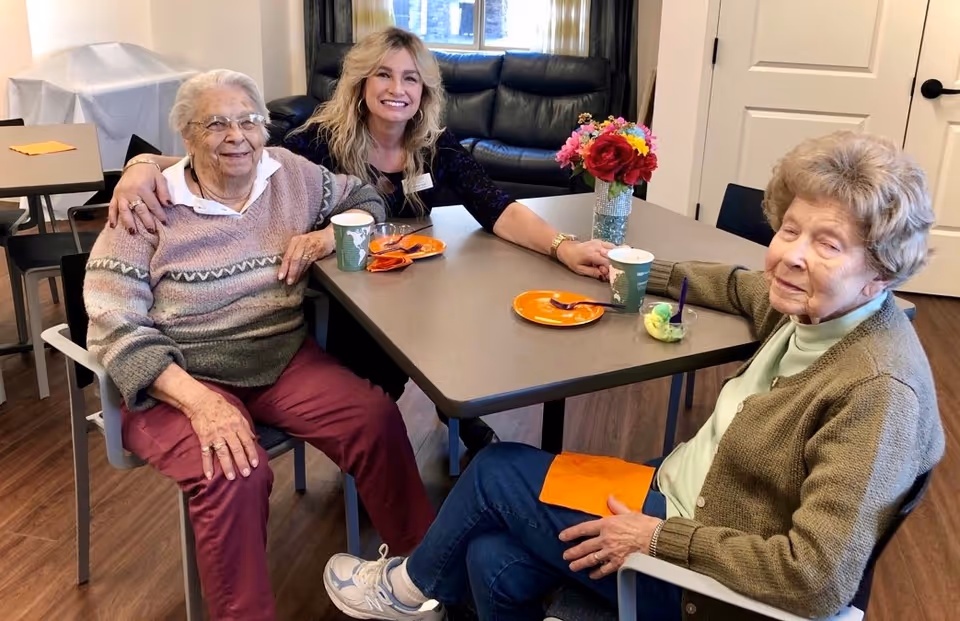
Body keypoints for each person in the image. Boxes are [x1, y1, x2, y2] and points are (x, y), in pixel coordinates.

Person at [320, 130, 945, 621]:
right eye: (789, 230)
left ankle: (405, 591)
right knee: (490, 559)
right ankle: (435, 590)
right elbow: (734, 283)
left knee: (493, 471)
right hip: (682, 499)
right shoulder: (809, 306)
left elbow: (817, 579)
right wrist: (626, 267)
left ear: (882, 272)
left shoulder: (876, 391)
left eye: (829, 243)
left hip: (711, 586)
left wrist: (659, 538)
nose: (792, 255)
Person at [105, 27, 614, 455]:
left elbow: (496, 207)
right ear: (362, 83)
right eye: (385, 75)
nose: (398, 88)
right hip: (346, 301)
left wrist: (562, 247)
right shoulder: (318, 142)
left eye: (411, 78)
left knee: (463, 333)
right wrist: (142, 165)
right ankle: (395, 441)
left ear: (424, 92)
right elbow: (239, 160)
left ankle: (454, 412)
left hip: (421, 290)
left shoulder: (436, 146)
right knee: (381, 380)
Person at [84, 69, 435, 621]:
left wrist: (327, 234)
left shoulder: (289, 175)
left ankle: (422, 578)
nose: (237, 135)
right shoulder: (147, 205)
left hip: (278, 360)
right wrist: (199, 403)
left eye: (249, 120)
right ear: (187, 135)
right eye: (216, 123)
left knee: (373, 416)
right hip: (175, 380)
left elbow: (369, 199)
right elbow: (111, 319)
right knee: (233, 470)